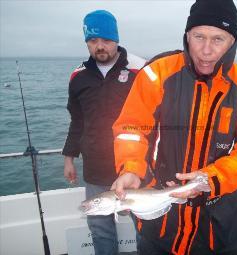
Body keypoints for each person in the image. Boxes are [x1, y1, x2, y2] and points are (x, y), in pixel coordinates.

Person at [112, 0, 237, 254]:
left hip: (217, 225)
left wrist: (213, 179)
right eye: (199, 36)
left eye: (218, 39)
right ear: (187, 35)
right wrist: (131, 168)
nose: (206, 50)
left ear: (233, 41)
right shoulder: (156, 75)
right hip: (159, 219)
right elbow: (131, 129)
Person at [62, 10, 145, 255]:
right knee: (100, 229)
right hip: (95, 166)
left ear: (117, 39)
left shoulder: (139, 69)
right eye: (93, 41)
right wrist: (69, 158)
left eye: (106, 40)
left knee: (144, 226)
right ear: (86, 41)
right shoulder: (77, 76)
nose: (100, 46)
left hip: (133, 167)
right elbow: (77, 121)